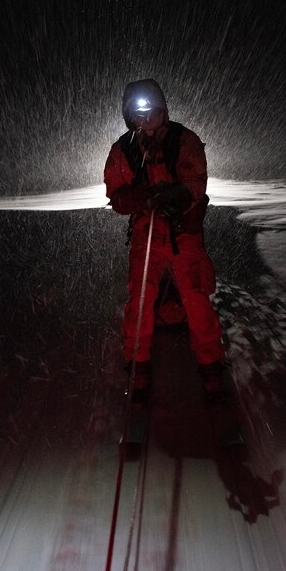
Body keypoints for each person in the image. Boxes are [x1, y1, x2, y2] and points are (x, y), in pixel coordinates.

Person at [104, 78, 226, 403]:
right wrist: (139, 197)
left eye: (151, 111)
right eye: (138, 114)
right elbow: (116, 195)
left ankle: (211, 363)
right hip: (146, 231)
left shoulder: (183, 140)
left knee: (196, 296)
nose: (145, 119)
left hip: (183, 230)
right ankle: (137, 362)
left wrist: (178, 197)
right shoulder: (124, 149)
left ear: (163, 110)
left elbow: (195, 180)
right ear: (129, 116)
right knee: (141, 297)